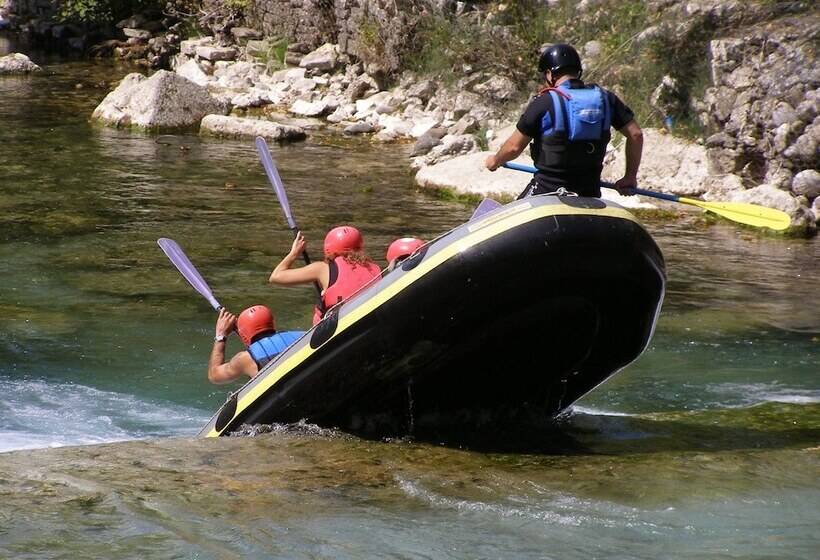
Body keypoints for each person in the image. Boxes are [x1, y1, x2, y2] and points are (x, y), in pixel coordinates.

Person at [485, 43, 643, 198]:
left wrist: (496, 160)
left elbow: (513, 147)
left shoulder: (544, 102)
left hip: (547, 191)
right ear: (578, 72)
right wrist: (630, 177)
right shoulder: (606, 99)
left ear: (549, 74)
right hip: (589, 193)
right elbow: (635, 134)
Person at [269, 226, 381, 325]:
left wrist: (294, 253)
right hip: (374, 321)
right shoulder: (376, 268)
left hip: (340, 330)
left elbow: (276, 277)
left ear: (328, 249)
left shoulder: (322, 268)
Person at [207, 305, 302, 384]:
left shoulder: (245, 359)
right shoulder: (302, 335)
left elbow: (214, 375)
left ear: (244, 335)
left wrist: (221, 336)